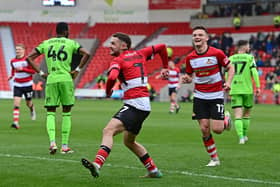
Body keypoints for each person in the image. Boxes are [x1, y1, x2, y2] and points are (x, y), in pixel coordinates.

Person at [81, 32, 169, 178]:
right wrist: (165, 67)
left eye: (113, 43)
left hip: (134, 103)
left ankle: (97, 164)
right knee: (129, 141)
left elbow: (112, 77)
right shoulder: (141, 54)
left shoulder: (118, 60)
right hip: (144, 105)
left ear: (123, 46)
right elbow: (162, 47)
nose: (110, 46)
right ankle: (153, 170)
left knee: (108, 131)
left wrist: (108, 90)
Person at [27, 22, 90, 154]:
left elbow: (29, 57)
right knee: (66, 112)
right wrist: (77, 69)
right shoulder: (71, 43)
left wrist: (41, 73)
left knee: (50, 112)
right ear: (66, 31)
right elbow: (87, 54)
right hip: (66, 79)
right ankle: (65, 146)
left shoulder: (46, 43)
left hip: (51, 79)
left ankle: (52, 143)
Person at [182, 26, 234, 167]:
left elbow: (230, 67)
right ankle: (214, 159)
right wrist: (186, 78)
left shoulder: (216, 53)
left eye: (200, 35)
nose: (197, 37)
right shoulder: (190, 58)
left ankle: (225, 119)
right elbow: (189, 75)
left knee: (217, 130)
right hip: (199, 96)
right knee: (204, 128)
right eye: (194, 35)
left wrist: (228, 82)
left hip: (216, 95)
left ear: (206, 38)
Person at [229, 40, 261, 144]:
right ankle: (245, 134)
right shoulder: (250, 58)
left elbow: (227, 74)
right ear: (245, 47)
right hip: (247, 89)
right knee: (246, 114)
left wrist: (227, 84)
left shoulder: (230, 59)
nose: (249, 48)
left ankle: (241, 137)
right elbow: (254, 72)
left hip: (235, 89)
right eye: (248, 46)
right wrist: (258, 86)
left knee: (237, 115)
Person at [8, 44, 37, 129]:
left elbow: (33, 71)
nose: (17, 51)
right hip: (17, 84)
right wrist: (12, 75)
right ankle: (16, 123)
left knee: (28, 103)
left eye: (19, 49)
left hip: (27, 84)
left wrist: (23, 69)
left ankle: (32, 109)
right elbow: (13, 69)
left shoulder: (28, 60)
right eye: (16, 49)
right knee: (16, 103)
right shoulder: (13, 61)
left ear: (24, 50)